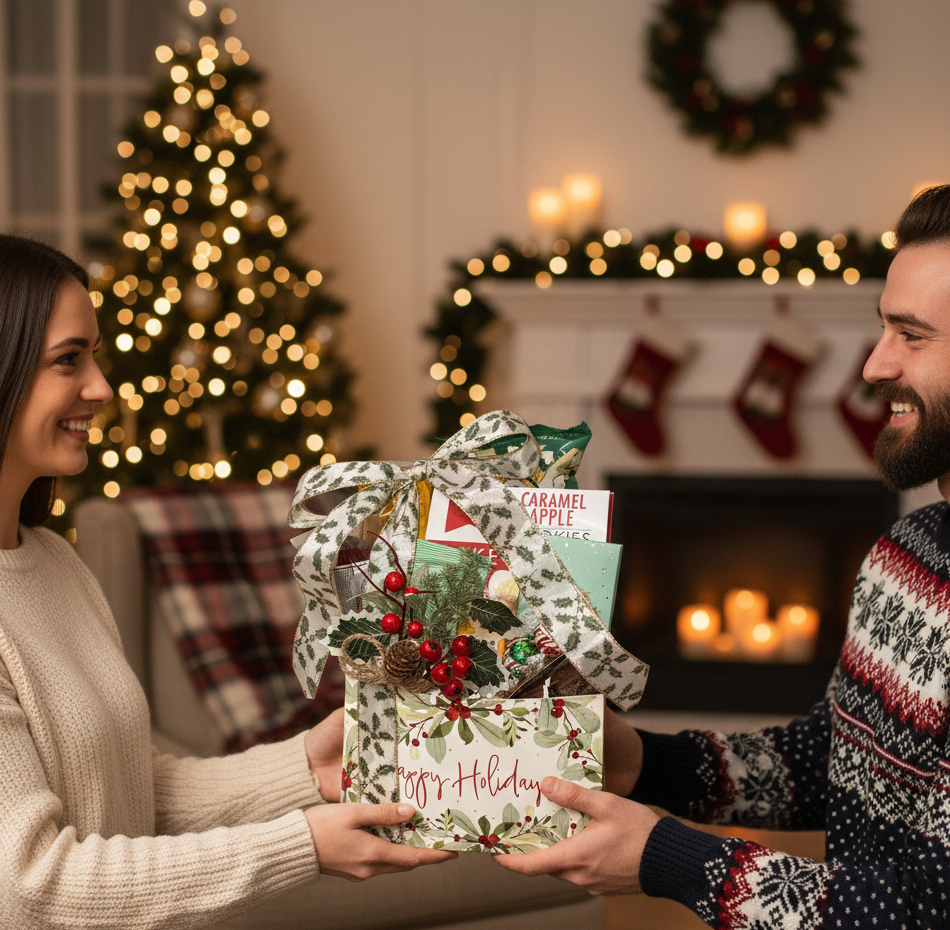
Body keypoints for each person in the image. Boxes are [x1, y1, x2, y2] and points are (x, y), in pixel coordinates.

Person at [496, 184, 950, 928]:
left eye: (912, 335)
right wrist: (643, 762)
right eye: (882, 329)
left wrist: (666, 858)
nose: (872, 367)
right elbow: (829, 760)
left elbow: (925, 911)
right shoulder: (909, 549)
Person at [0, 234, 454, 929]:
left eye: (93, 354)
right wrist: (301, 844)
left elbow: (130, 790)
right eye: (69, 360)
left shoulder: (56, 562)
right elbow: (35, 882)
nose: (101, 388)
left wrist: (307, 764)